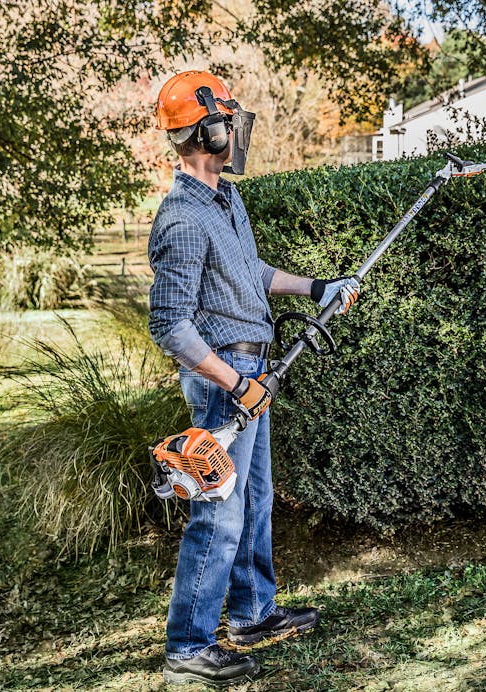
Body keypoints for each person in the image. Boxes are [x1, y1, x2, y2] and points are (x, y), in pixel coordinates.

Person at [148, 70, 360, 687]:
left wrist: (320, 286)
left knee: (256, 498)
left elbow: (252, 272)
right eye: (229, 120)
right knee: (219, 512)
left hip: (252, 365)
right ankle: (188, 645)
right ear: (205, 129)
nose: (237, 131)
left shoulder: (225, 200)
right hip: (223, 377)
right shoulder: (182, 219)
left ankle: (251, 614)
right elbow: (172, 328)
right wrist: (237, 384)